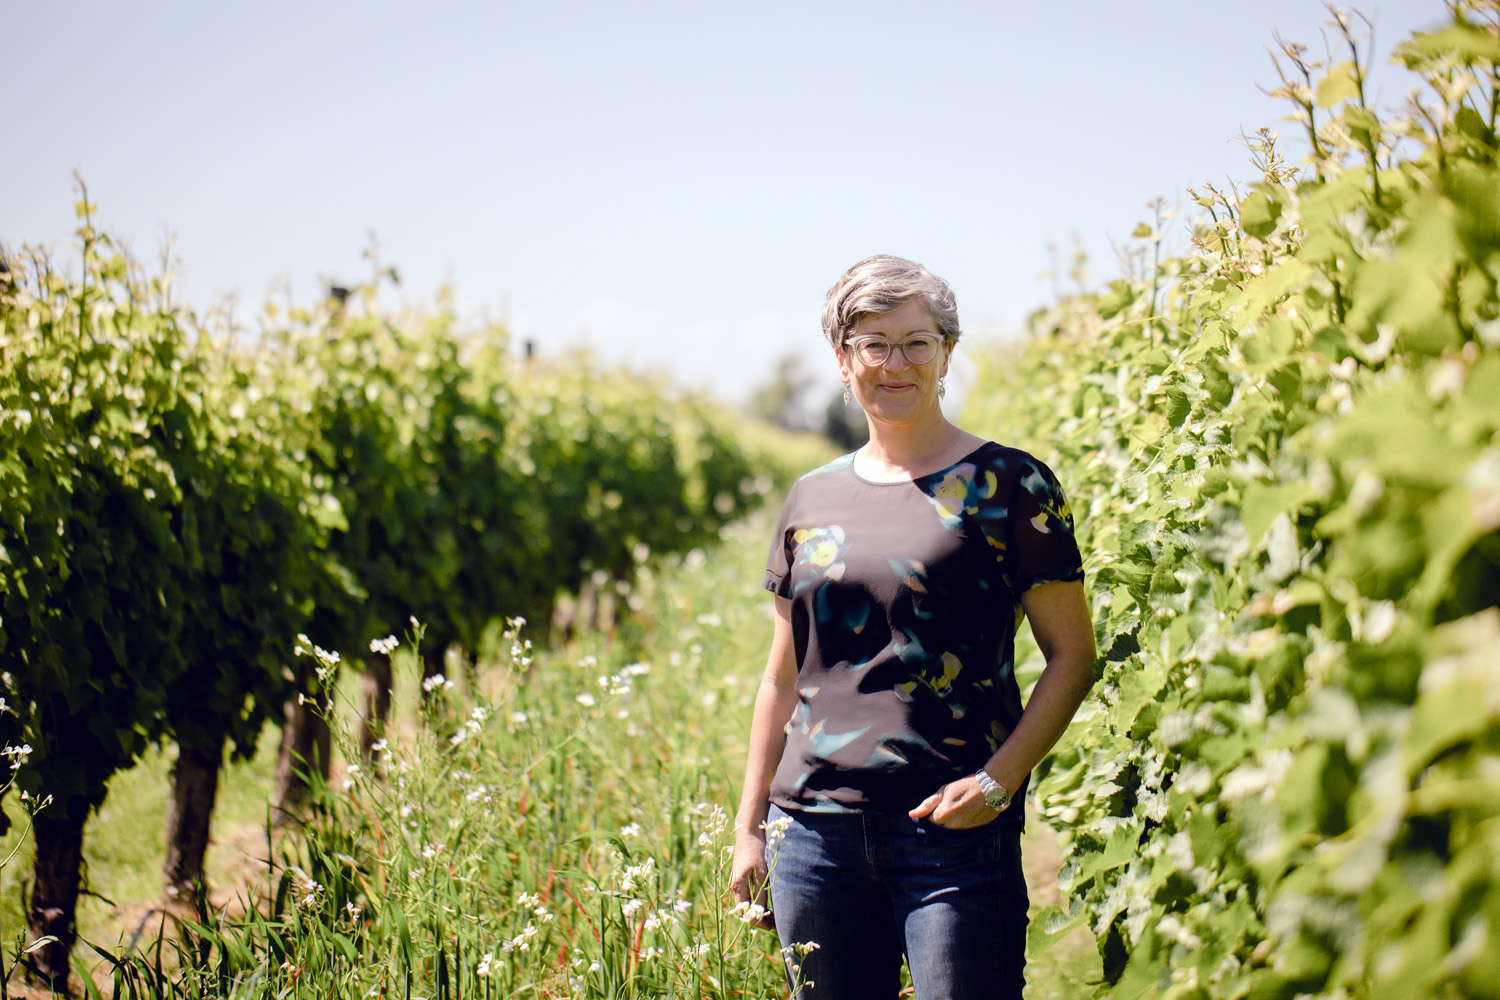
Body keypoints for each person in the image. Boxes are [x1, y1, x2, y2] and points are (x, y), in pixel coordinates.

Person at [730, 255, 1097, 999]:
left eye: (916, 342)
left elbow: (1072, 657)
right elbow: (782, 675)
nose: (895, 363)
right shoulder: (810, 498)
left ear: (947, 354)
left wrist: (999, 783)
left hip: (954, 835)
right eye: (873, 343)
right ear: (843, 360)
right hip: (813, 835)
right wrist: (749, 827)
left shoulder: (1013, 485)